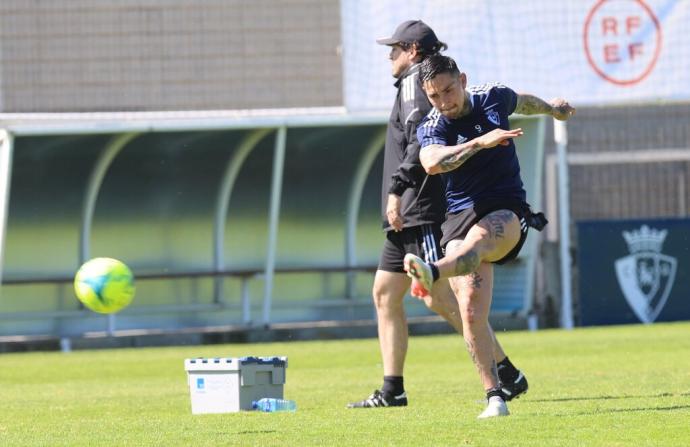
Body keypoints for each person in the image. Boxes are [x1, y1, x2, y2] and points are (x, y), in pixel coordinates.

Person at [348, 21, 528, 409]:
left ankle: (504, 371)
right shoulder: (417, 84)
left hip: (419, 207)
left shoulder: (419, 87)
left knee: (441, 297)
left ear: (413, 50)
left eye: (394, 49)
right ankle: (392, 388)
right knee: (385, 293)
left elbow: (420, 148)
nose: (388, 56)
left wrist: (397, 191)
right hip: (406, 211)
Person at [403, 54, 575, 418]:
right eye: (434, 96)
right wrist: (480, 143)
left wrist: (551, 109)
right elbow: (432, 162)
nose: (444, 101)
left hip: (505, 207)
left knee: (476, 247)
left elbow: (523, 101)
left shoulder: (492, 96)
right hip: (457, 215)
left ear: (462, 80)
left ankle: (432, 271)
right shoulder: (432, 123)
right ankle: (495, 396)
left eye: (449, 90)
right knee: (469, 309)